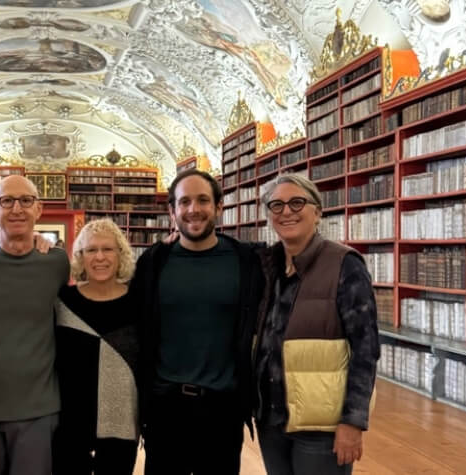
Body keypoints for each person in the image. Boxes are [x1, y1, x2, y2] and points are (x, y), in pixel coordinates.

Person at [130, 169, 264, 474]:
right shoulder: (153, 262)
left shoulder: (248, 262)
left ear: (219, 207)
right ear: (172, 211)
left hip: (223, 407)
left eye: (203, 200)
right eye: (184, 201)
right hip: (165, 407)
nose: (193, 209)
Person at [253, 174, 379, 474]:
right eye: (276, 205)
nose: (286, 212)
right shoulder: (266, 266)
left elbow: (366, 349)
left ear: (318, 211)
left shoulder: (344, 263)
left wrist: (353, 421)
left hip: (322, 424)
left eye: (297, 202)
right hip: (271, 416)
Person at [0, 173, 70, 475]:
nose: (17, 208)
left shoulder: (57, 263)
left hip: (38, 409)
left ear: (38, 209)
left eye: (26, 200)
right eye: (6, 200)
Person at [54, 218, 139, 475]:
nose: (99, 257)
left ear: (120, 254)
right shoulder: (62, 301)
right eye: (91, 250)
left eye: (107, 249)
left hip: (121, 423)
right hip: (69, 424)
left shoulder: (139, 302)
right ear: (80, 256)